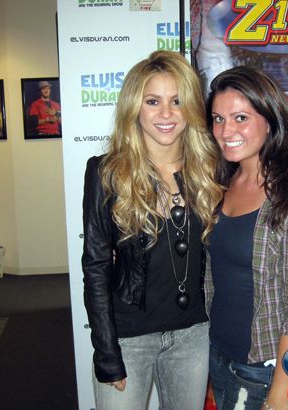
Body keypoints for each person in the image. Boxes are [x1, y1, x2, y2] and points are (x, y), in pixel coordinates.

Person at [82, 50, 223, 410]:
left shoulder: (209, 169)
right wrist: (106, 351)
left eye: (177, 101)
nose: (166, 114)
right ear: (135, 107)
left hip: (192, 335)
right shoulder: (106, 172)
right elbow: (96, 267)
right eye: (153, 101)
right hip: (128, 338)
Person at [205, 66, 288, 410]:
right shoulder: (218, 184)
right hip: (216, 353)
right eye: (218, 119)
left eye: (241, 118)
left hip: (261, 369)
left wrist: (280, 394)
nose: (226, 131)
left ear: (271, 120)